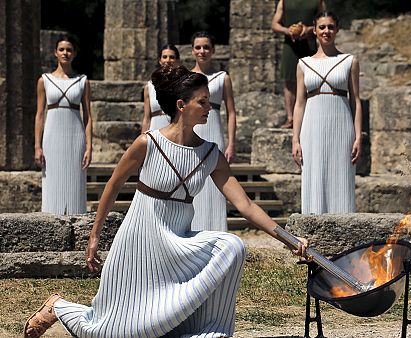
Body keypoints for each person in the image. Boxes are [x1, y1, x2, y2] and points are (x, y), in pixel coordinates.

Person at [23, 65, 308, 338]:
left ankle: (210, 330)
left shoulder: (211, 154)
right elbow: (112, 186)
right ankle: (58, 307)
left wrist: (290, 240)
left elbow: (245, 205)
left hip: (177, 244)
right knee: (114, 330)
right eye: (203, 102)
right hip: (139, 244)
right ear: (182, 105)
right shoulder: (148, 143)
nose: (210, 107)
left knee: (232, 246)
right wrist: (94, 236)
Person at [292, 11, 361, 214]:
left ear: (337, 30)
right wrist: (295, 139)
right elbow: (299, 103)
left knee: (341, 176)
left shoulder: (349, 61)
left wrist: (358, 137)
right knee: (314, 176)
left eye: (331, 27)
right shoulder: (303, 64)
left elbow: (356, 101)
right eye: (322, 27)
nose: (326, 31)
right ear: (314, 31)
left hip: (341, 125)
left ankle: (344, 230)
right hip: (311, 127)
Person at [34, 34, 92, 214]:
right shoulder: (44, 80)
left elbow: (88, 116)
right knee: (52, 182)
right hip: (52, 138)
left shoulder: (82, 81)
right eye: (61, 50)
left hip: (76, 138)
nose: (65, 53)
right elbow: (39, 115)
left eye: (69, 50)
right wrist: (37, 145)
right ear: (55, 53)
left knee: (75, 183)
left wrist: (89, 147)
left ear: (74, 54)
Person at [190, 31, 237, 231]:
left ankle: (217, 231)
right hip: (192, 134)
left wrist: (231, 143)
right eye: (198, 47)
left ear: (213, 50)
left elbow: (232, 112)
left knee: (216, 185)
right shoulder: (187, 78)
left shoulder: (222, 78)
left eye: (206, 47)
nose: (203, 51)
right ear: (192, 50)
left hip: (214, 132)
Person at [272, 0, 326, 128]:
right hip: (291, 46)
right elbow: (274, 24)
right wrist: (287, 31)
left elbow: (325, 22)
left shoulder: (318, 1)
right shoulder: (284, 1)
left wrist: (309, 29)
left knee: (312, 81)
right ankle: (291, 118)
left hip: (309, 46)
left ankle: (309, 117)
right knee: (290, 81)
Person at [141, 44, 180, 132]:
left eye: (172, 57)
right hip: (155, 129)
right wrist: (143, 138)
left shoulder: (182, 84)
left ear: (177, 60)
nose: (168, 60)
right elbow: (146, 118)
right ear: (160, 60)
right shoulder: (149, 86)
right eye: (165, 57)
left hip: (175, 131)